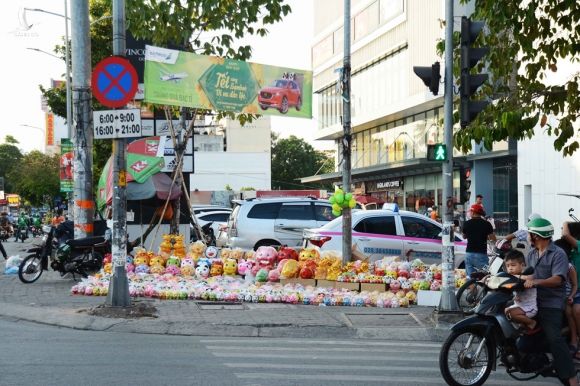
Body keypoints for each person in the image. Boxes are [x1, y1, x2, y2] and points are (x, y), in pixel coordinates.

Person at [523, 217, 578, 386]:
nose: (527, 236)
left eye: (530, 233)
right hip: (532, 300)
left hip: (551, 302)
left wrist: (537, 282)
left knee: (555, 339)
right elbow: (529, 275)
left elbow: (558, 279)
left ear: (537, 236)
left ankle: (572, 379)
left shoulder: (558, 254)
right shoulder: (531, 253)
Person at [504, 249, 538, 333]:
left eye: (513, 265)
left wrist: (518, 277)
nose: (510, 268)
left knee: (511, 314)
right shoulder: (513, 278)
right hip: (518, 305)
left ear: (522, 265)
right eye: (508, 266)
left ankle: (532, 323)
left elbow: (531, 277)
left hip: (529, 307)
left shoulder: (526, 275)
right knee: (504, 310)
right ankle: (521, 325)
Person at [561, 221, 580, 359]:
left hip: (578, 289)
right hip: (574, 290)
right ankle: (574, 340)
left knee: (576, 311)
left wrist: (566, 222)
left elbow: (565, 234)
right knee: (569, 310)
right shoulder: (570, 251)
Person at [462, 203, 496, 278]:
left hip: (469, 253)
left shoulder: (466, 223)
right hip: (481, 254)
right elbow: (493, 239)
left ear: (473, 212)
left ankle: (472, 289)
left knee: (470, 276)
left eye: (470, 211)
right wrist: (484, 237)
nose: (469, 213)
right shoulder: (486, 224)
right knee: (484, 276)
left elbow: (464, 236)